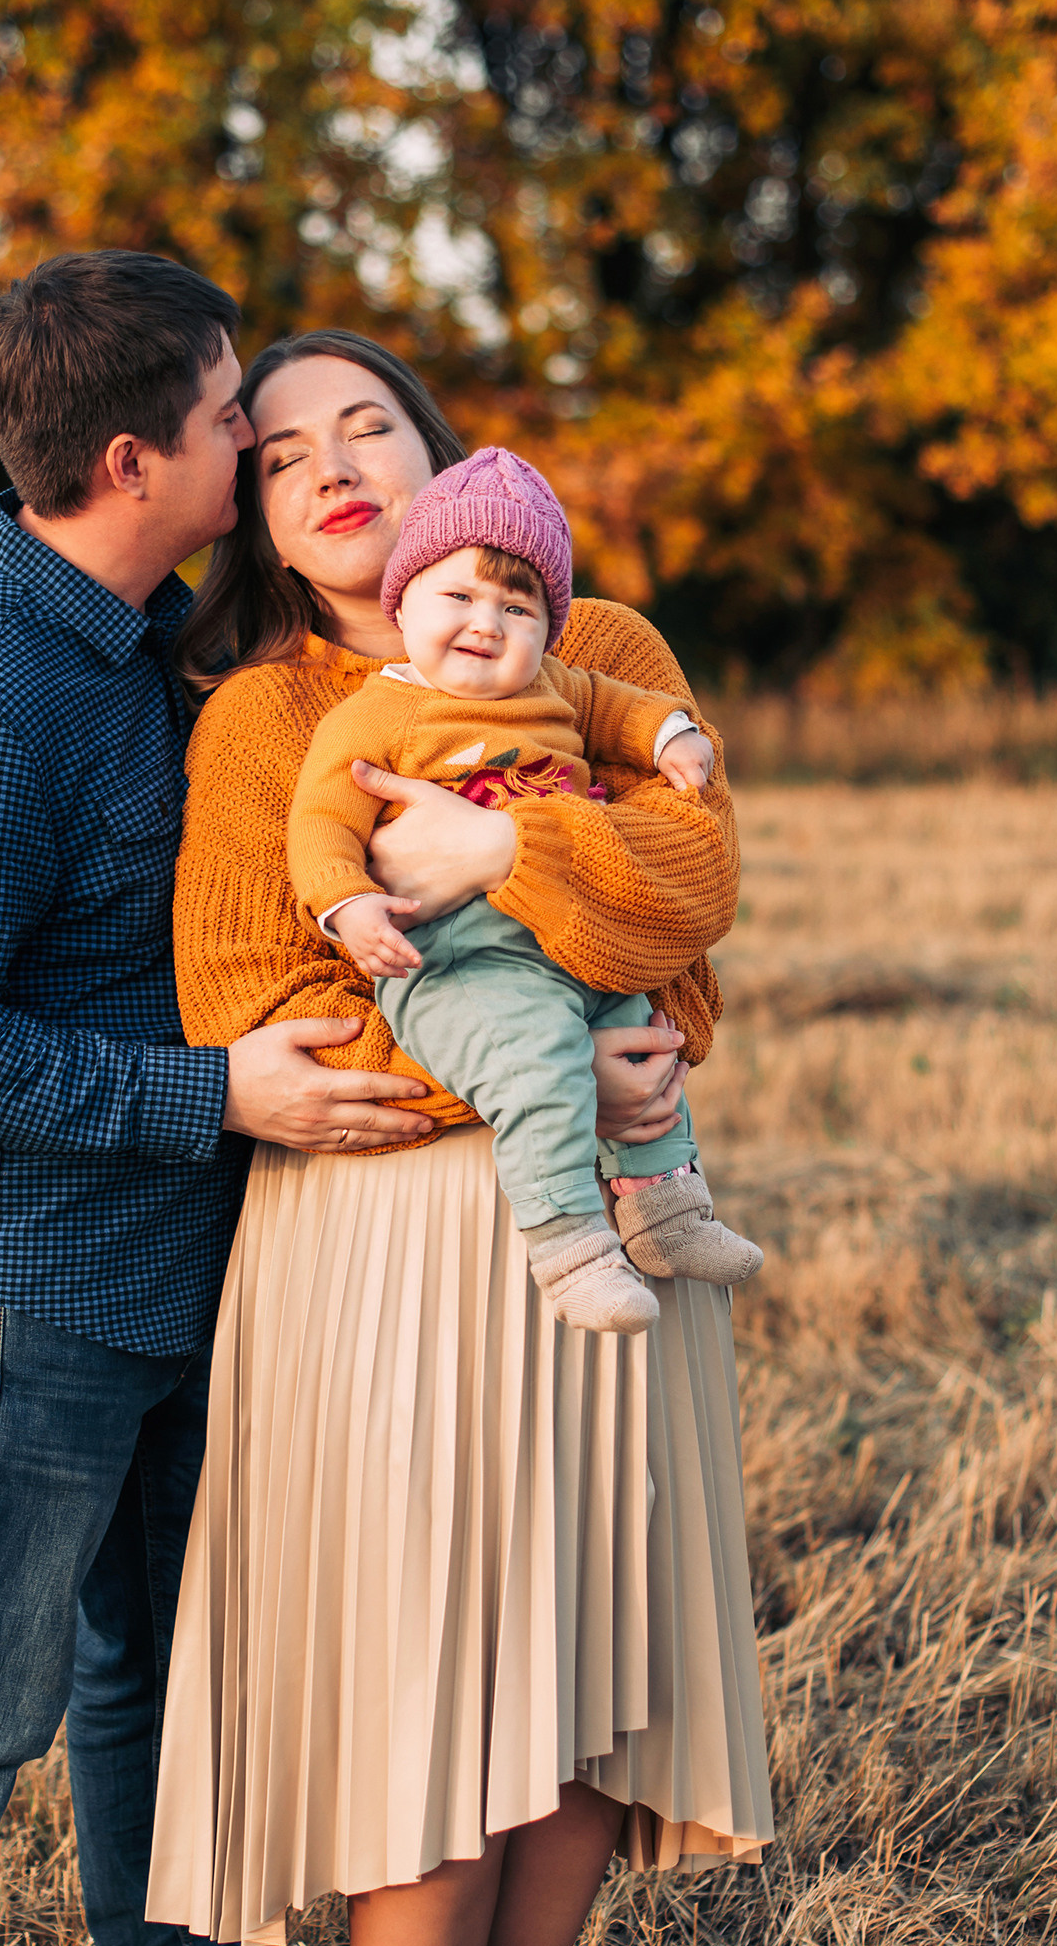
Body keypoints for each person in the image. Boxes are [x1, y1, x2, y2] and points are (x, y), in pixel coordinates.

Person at [148, 330, 774, 1946]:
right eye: (282, 451)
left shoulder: (606, 650)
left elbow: (693, 894)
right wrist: (546, 1065)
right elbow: (255, 998)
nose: (334, 465)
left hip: (613, 1238)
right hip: (385, 1242)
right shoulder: (267, 717)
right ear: (254, 511)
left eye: (372, 426)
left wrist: (510, 845)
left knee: (586, 1679)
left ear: (446, 463)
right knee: (435, 1680)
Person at [0, 257, 420, 1946]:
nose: (261, 436)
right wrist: (211, 1094)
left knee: (143, 1661)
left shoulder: (139, 639)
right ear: (128, 460)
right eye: (236, 410)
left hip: (159, 1260)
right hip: (21, 1273)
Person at [288, 442, 764, 1332]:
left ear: (548, 630)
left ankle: (667, 1213)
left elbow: (619, 707)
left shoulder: (556, 685)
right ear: (404, 599)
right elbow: (321, 823)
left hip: (565, 937)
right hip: (459, 961)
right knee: (542, 1056)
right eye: (458, 596)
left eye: (518, 606)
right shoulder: (377, 714)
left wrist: (670, 735)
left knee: (643, 1030)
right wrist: (347, 902)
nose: (487, 622)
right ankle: (572, 1245)